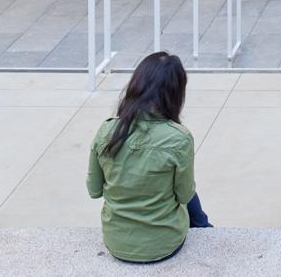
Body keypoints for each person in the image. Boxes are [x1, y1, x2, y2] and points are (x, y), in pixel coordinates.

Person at [86, 50, 211, 262]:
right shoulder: (178, 138)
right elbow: (184, 195)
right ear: (175, 93)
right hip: (165, 244)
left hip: (116, 242)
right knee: (191, 198)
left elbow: (94, 189)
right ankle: (206, 228)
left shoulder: (107, 131)